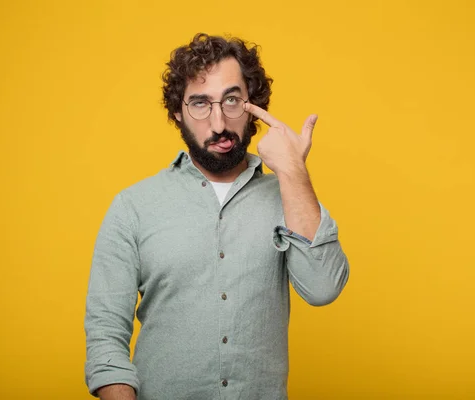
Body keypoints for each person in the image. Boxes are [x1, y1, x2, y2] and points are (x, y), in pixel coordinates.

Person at [84, 33, 350, 400]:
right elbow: (105, 337)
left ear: (252, 104)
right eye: (199, 103)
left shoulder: (289, 194)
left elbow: (323, 288)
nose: (219, 122)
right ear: (177, 112)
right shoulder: (133, 206)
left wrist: (292, 171)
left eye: (232, 100)